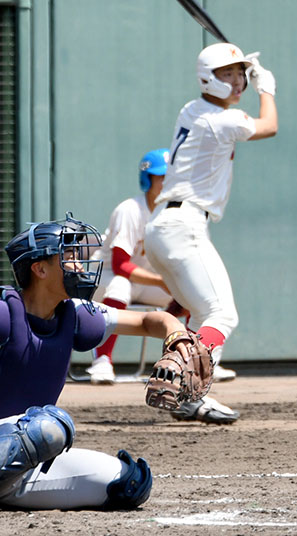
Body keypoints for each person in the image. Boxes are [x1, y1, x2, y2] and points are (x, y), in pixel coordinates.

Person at [0, 213, 193, 509]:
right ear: (39, 268)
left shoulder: (74, 314)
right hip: (23, 437)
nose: (78, 264)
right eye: (67, 256)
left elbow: (147, 321)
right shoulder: (4, 313)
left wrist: (176, 336)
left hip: (24, 457)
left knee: (130, 483)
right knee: (51, 426)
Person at [143, 42, 278, 425]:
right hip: (183, 227)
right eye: (227, 74)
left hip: (164, 227)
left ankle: (180, 381)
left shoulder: (193, 108)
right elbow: (269, 126)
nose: (237, 81)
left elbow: (232, 111)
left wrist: (239, 68)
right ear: (206, 77)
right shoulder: (221, 120)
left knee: (202, 312)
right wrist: (266, 87)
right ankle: (189, 391)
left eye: (239, 74)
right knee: (222, 314)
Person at [86, 148, 178, 384]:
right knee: (120, 285)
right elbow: (120, 265)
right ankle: (102, 361)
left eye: (172, 177)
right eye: (162, 177)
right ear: (148, 179)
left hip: (143, 281)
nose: (167, 183)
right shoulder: (130, 209)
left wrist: (172, 285)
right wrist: (160, 281)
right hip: (103, 278)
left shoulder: (174, 213)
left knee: (188, 295)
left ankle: (187, 360)